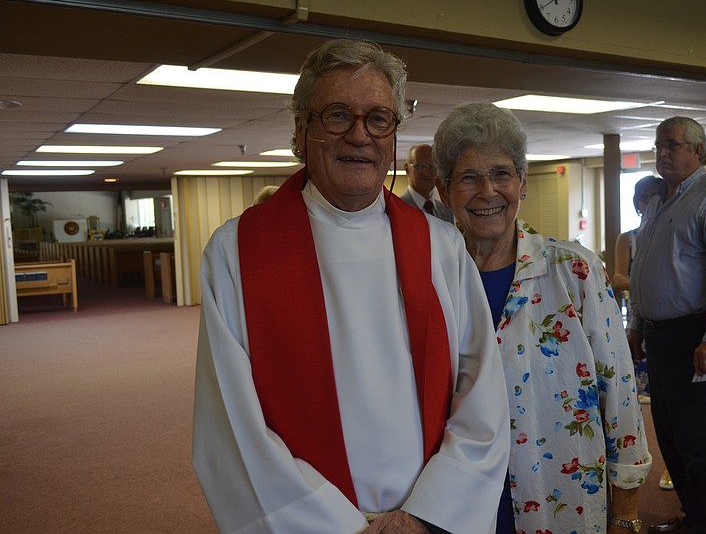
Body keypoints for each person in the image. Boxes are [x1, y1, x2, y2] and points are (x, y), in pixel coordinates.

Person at [192, 39, 510, 534]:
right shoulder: (236, 251)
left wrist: (427, 515)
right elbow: (229, 424)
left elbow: (482, 391)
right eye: (338, 115)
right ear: (302, 131)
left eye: (378, 118)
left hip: (428, 522)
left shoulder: (440, 246)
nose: (360, 135)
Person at [434, 102, 652, 534]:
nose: (487, 191)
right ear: (444, 190)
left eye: (501, 174)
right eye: (468, 178)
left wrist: (625, 513)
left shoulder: (574, 271)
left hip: (559, 493)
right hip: (458, 499)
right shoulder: (430, 277)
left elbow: (620, 394)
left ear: (523, 182)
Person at [627, 117, 706, 534]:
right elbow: (643, 268)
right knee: (671, 436)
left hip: (696, 337)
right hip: (659, 337)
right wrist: (637, 324)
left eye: (672, 145)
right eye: (658, 146)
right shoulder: (658, 200)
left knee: (698, 441)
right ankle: (693, 518)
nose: (662, 153)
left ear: (697, 151)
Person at [612, 175, 673, 492]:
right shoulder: (629, 238)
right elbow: (618, 277)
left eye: (653, 195)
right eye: (642, 196)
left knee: (671, 404)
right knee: (636, 403)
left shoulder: (671, 235)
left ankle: (672, 466)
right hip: (639, 322)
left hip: (670, 323)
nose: (647, 201)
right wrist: (648, 282)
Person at [401, 143, 454, 223]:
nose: (426, 172)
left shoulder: (446, 211)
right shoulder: (396, 208)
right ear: (407, 169)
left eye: (432, 166)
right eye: (420, 166)